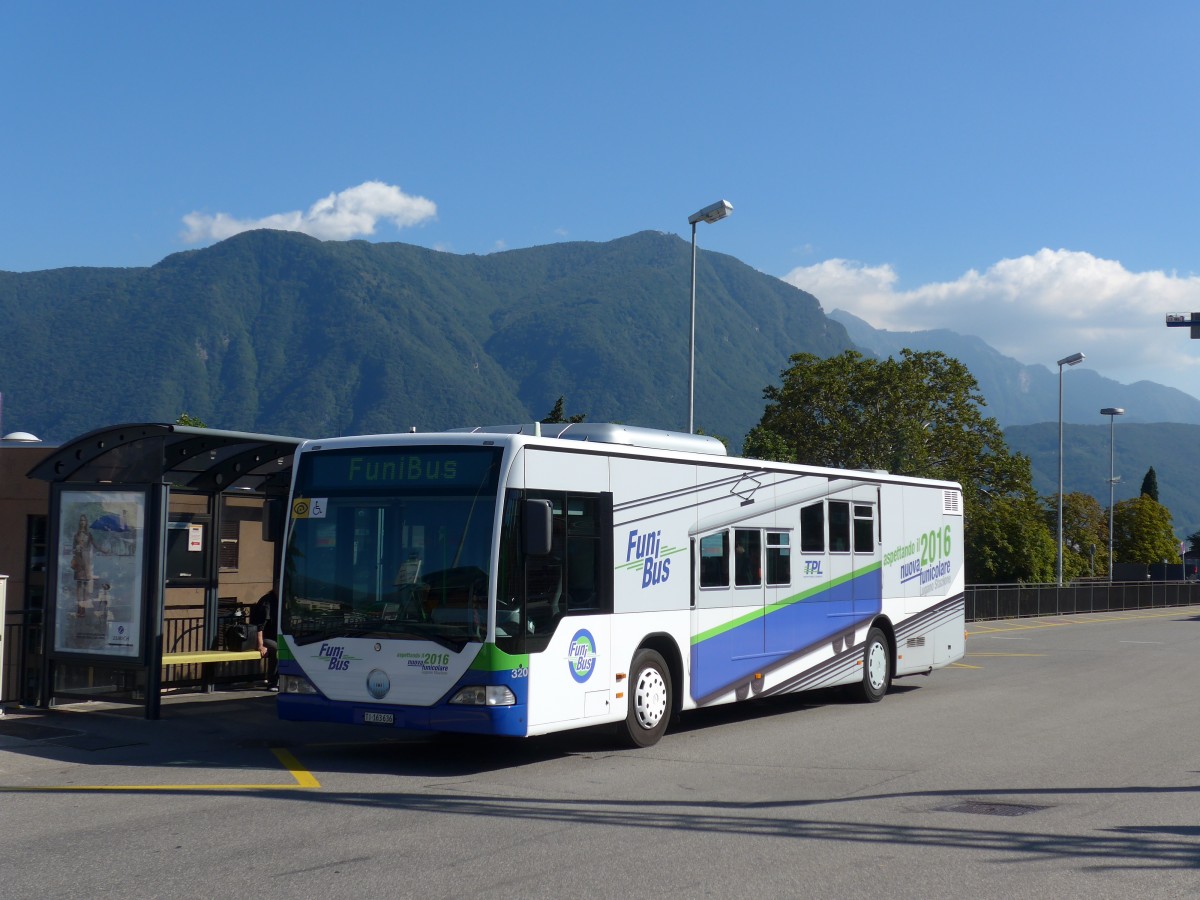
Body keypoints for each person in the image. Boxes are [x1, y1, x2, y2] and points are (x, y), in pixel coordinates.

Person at [250, 588, 279, 691]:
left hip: (276, 637)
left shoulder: (282, 600)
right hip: (263, 638)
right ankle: (272, 682)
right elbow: (259, 626)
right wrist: (260, 645)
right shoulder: (267, 602)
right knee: (277, 650)